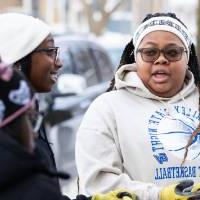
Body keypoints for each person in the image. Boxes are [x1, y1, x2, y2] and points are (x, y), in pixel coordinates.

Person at [75, 12, 200, 199]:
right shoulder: (107, 108)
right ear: (136, 56)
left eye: (172, 52)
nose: (161, 59)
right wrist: (160, 196)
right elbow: (97, 183)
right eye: (150, 52)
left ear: (187, 57)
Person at [0, 63, 138, 200]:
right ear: (10, 126)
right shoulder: (30, 188)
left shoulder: (20, 181)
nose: (34, 133)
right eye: (30, 119)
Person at [0, 12, 61, 178]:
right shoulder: (9, 127)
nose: (59, 62)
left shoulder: (24, 113)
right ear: (17, 61)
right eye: (49, 52)